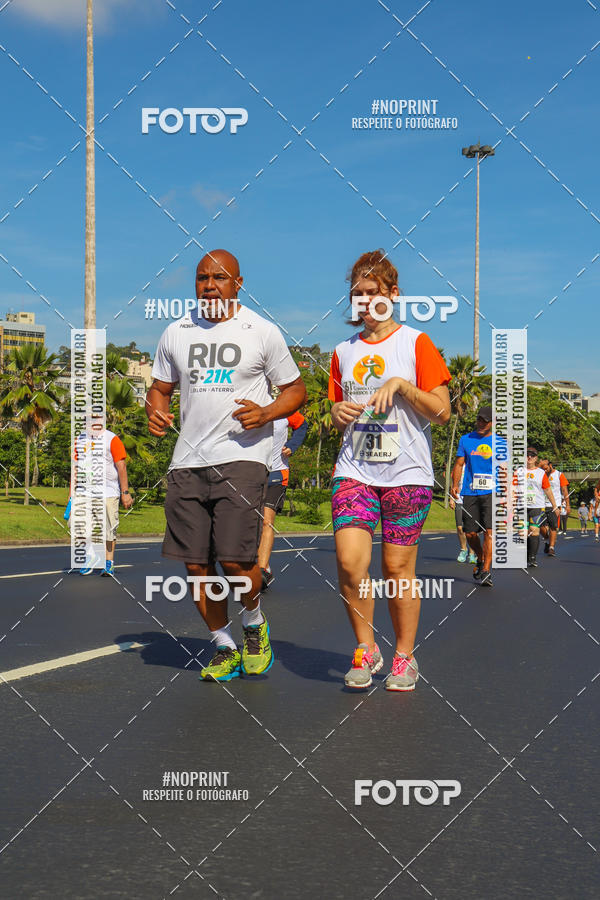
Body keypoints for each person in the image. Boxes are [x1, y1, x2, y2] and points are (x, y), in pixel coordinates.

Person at [146, 250, 306, 682]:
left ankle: (253, 623)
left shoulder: (261, 331)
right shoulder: (175, 332)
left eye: (219, 278)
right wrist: (155, 410)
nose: (209, 285)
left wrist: (269, 412)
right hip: (186, 462)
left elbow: (295, 390)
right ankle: (223, 644)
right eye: (201, 278)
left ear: (238, 283)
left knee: (236, 561)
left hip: (243, 457)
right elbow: (159, 388)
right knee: (196, 565)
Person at [328, 250, 451, 692]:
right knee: (350, 563)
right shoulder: (343, 352)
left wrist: (401, 386)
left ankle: (404, 656)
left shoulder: (415, 343)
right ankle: (366, 649)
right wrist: (337, 412)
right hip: (355, 470)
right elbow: (337, 407)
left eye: (373, 293)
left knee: (398, 569)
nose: (364, 301)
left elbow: (441, 412)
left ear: (392, 295)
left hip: (407, 474)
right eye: (357, 294)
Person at [451, 407, 505, 587]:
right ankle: (480, 558)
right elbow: (459, 464)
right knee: (470, 532)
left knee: (490, 532)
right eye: (479, 420)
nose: (481, 423)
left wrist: (506, 495)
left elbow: (505, 470)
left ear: (492, 423)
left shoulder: (500, 442)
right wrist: (454, 485)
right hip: (470, 491)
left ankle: (486, 571)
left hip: (492, 493)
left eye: (485, 421)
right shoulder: (466, 439)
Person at [72, 417, 133, 576]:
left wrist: (125, 492)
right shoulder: (80, 439)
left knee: (109, 530)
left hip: (108, 492)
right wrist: (72, 495)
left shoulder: (112, 439)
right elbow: (76, 468)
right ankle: (90, 558)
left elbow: (121, 466)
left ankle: (109, 564)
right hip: (84, 492)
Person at [258, 409, 307, 589]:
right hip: (250, 472)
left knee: (266, 521)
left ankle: (262, 570)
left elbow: (302, 425)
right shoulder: (247, 399)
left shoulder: (283, 407)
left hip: (277, 473)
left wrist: (292, 445)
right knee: (248, 522)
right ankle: (256, 562)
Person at [522, 447, 558, 566]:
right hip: (521, 506)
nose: (530, 457)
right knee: (523, 532)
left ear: (536, 458)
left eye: (532, 455)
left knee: (534, 530)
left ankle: (532, 558)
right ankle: (528, 552)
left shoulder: (540, 473)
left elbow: (547, 489)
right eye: (527, 455)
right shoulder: (518, 471)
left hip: (536, 506)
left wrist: (555, 506)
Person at [539, 459, 569, 557]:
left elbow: (564, 490)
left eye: (546, 468)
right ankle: (547, 538)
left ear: (550, 465)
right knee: (539, 526)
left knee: (553, 526)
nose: (545, 470)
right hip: (541, 504)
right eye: (543, 469)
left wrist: (567, 505)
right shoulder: (540, 474)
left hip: (554, 506)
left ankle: (551, 548)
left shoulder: (559, 475)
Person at [448, 469, 478, 564]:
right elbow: (454, 484)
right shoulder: (458, 467)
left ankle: (472, 553)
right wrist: (452, 498)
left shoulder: (475, 464)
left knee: (472, 530)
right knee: (460, 528)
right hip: (459, 501)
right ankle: (463, 550)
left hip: (473, 502)